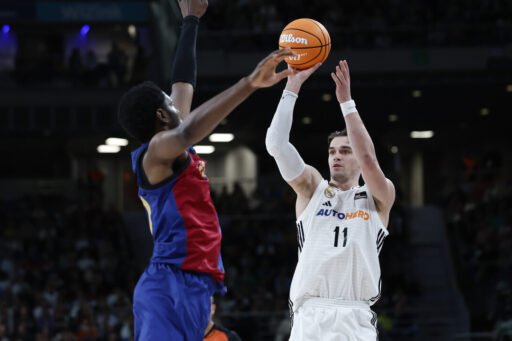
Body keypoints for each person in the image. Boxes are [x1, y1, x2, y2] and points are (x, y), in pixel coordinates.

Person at [117, 0, 295, 339]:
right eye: (168, 102)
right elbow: (187, 130)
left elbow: (183, 80)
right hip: (167, 284)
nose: (176, 101)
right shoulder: (153, 155)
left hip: (197, 286)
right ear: (159, 115)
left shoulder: (174, 143)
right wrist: (250, 83)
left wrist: (190, 22)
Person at [265, 60, 396, 340]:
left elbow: (370, 160)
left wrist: (347, 103)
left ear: (357, 159)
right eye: (332, 151)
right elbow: (276, 144)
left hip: (356, 316)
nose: (336, 155)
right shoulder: (312, 188)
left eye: (346, 151)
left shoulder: (378, 196)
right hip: (310, 314)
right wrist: (293, 85)